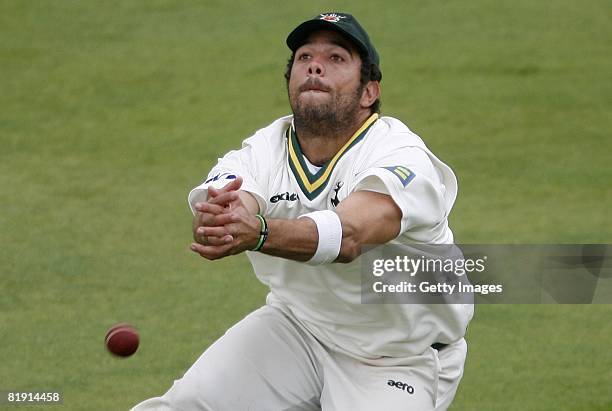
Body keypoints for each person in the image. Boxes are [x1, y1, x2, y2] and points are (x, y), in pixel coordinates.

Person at [132, 12, 473, 411]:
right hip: (298, 327)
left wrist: (258, 232)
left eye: (336, 58)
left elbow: (349, 236)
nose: (314, 64)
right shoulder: (265, 148)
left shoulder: (400, 155)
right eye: (304, 57)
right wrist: (221, 219)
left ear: (369, 92)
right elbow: (228, 205)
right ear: (290, 81)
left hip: (397, 354)